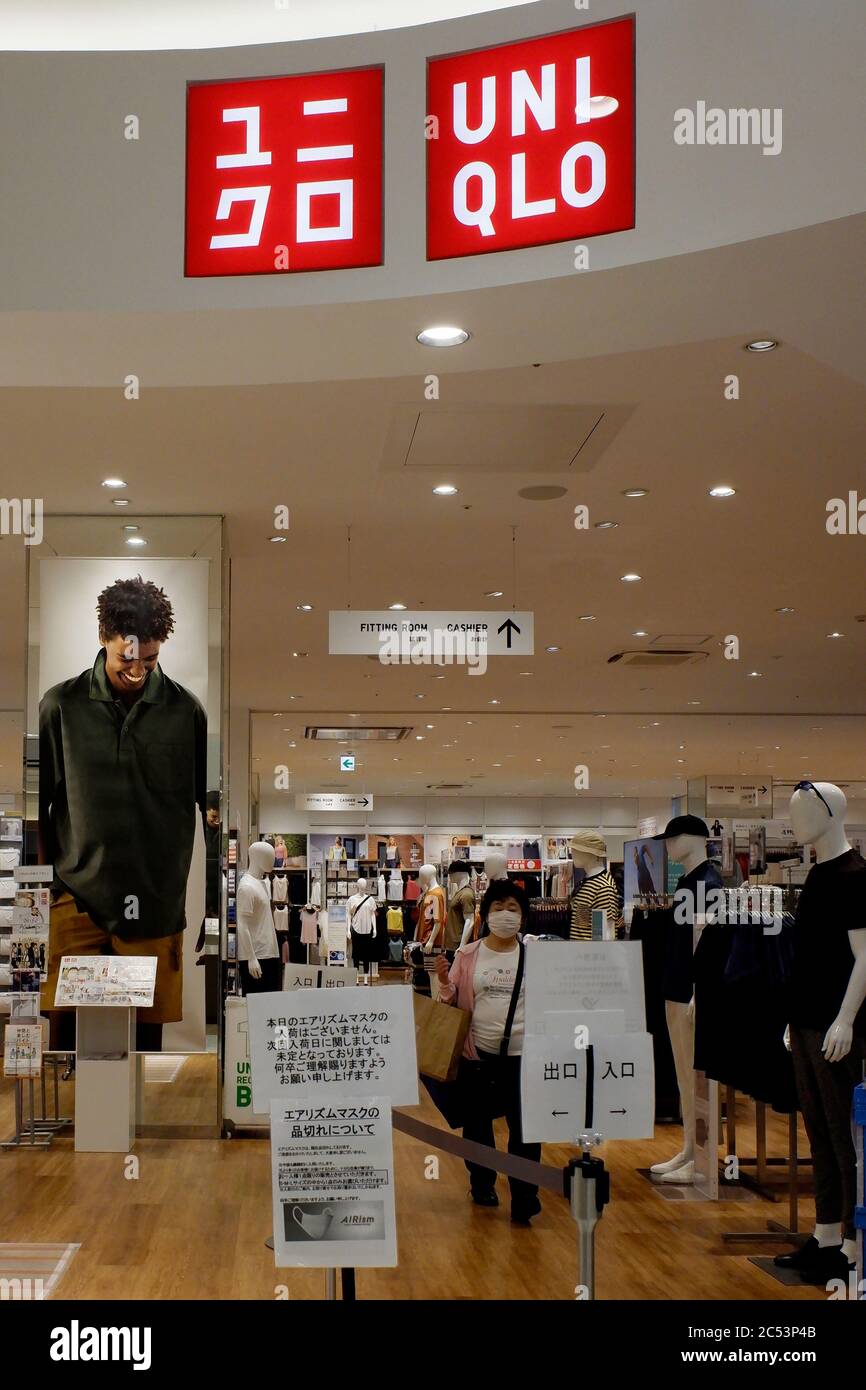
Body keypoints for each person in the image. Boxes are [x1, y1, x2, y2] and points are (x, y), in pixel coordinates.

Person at [39, 575, 207, 1050]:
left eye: (150, 660)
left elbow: (208, 808)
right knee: (65, 1047)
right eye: (126, 659)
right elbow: (39, 806)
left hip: (155, 905)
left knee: (144, 1054)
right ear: (103, 639)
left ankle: (142, 1126)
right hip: (75, 900)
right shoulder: (59, 706)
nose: (138, 671)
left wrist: (213, 907)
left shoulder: (186, 712)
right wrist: (47, 888)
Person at [435, 879, 542, 1224]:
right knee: (478, 1125)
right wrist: (443, 984)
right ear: (485, 914)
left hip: (524, 1057)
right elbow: (450, 1002)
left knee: (525, 1129)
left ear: (523, 917)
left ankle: (525, 1194)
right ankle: (483, 1184)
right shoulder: (468, 955)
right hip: (478, 1055)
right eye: (499, 908)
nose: (506, 915)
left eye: (513, 909)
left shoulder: (535, 954)